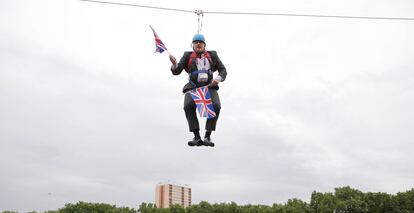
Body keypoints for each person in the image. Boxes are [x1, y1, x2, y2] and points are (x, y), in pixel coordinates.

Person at [169, 34, 227, 147]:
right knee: (188, 106)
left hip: (209, 86)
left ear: (204, 45)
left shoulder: (212, 54)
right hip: (193, 86)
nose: (198, 44)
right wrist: (174, 64)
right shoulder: (187, 55)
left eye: (200, 42)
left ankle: (207, 136)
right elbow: (177, 71)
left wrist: (217, 79)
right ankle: (196, 136)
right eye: (196, 42)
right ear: (193, 45)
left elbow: (223, 70)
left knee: (216, 105)